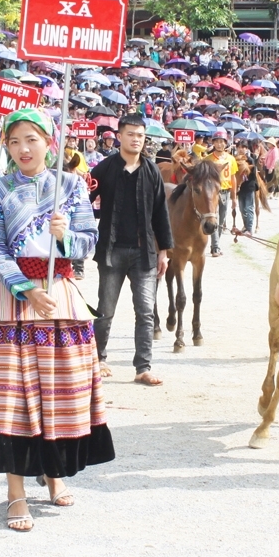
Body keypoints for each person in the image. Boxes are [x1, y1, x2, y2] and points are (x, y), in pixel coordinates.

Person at [0, 108, 113, 532]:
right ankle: (15, 492)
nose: (23, 149)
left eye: (31, 139)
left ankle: (55, 474)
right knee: (12, 395)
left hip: (61, 300)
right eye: (14, 141)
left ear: (50, 141)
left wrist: (65, 235)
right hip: (14, 301)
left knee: (57, 390)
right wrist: (25, 288)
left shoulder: (71, 187)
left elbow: (87, 244)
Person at [90, 112, 173, 386]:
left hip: (145, 252)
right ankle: (98, 359)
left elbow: (161, 212)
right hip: (112, 251)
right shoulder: (103, 169)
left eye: (140, 135)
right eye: (130, 134)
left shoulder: (152, 171)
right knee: (105, 310)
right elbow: (82, 200)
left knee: (146, 310)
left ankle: (143, 368)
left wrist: (164, 251)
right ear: (120, 136)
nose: (136, 140)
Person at [206, 132, 237, 256]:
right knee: (215, 217)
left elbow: (233, 178)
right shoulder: (208, 159)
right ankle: (216, 247)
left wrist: (234, 197)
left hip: (226, 192)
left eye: (222, 141)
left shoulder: (231, 159)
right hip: (213, 192)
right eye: (216, 141)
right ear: (213, 143)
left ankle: (215, 243)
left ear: (225, 143)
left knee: (222, 218)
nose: (219, 144)